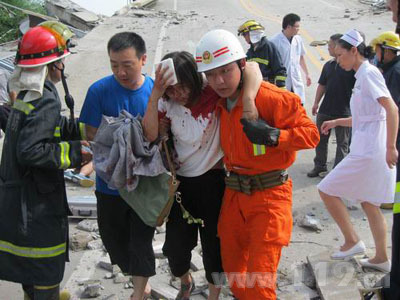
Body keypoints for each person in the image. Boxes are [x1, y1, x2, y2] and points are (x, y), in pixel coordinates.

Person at [195, 29, 319, 299]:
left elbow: (312, 135)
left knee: (260, 283)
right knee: (235, 274)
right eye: (211, 74)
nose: (219, 81)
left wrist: (276, 136)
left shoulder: (272, 98)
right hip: (234, 198)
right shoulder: (217, 99)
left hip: (269, 197)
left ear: (240, 65)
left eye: (226, 71)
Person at [142, 51, 261, 300]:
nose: (179, 94)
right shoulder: (166, 102)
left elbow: (250, 68)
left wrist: (248, 100)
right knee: (175, 250)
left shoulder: (213, 91)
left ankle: (214, 295)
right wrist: (155, 95)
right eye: (172, 90)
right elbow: (150, 135)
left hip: (214, 183)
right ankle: (186, 282)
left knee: (214, 249)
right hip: (180, 186)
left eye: (183, 87)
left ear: (195, 80)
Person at [0, 22, 91, 300]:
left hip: (20, 201)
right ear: (54, 64)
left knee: (30, 269)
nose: (62, 65)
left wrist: (81, 128)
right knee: (45, 268)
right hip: (37, 205)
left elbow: (43, 127)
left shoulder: (29, 95)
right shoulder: (46, 99)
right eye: (61, 60)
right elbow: (31, 150)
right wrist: (76, 152)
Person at [79, 32, 154, 300]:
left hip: (143, 186)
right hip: (109, 185)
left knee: (141, 243)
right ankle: (137, 278)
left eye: (127, 64)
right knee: (114, 242)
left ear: (143, 59)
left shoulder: (153, 92)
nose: (120, 72)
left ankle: (138, 293)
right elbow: (90, 134)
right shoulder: (98, 91)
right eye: (114, 65)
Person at [318, 30, 398, 274]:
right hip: (368, 146)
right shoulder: (361, 74)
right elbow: (368, 117)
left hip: (370, 150)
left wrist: (390, 146)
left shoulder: (369, 73)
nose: (337, 59)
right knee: (369, 203)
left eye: (340, 55)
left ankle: (352, 241)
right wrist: (337, 122)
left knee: (326, 189)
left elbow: (392, 110)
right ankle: (382, 258)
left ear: (354, 51)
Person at [370, 31, 400, 299]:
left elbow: (393, 110)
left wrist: (390, 145)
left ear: (386, 50)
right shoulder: (389, 69)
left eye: (377, 50)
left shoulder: (396, 73)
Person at [307, 34, 355, 178]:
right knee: (320, 140)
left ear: (338, 47)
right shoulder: (328, 65)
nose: (328, 48)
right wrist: (316, 102)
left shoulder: (351, 68)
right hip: (325, 110)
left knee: (342, 144)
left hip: (344, 112)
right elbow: (322, 85)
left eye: (330, 46)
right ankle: (319, 165)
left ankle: (338, 172)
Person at [270, 13, 311, 105]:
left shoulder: (298, 39)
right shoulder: (274, 42)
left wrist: (307, 74)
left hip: (296, 78)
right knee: (285, 105)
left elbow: (301, 57)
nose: (298, 29)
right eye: (297, 26)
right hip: (282, 81)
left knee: (299, 104)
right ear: (288, 27)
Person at [237, 20, 287, 88]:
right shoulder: (250, 52)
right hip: (255, 88)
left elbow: (280, 70)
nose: (244, 37)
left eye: (245, 34)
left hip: (269, 88)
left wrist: (281, 88)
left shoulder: (269, 47)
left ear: (253, 33)